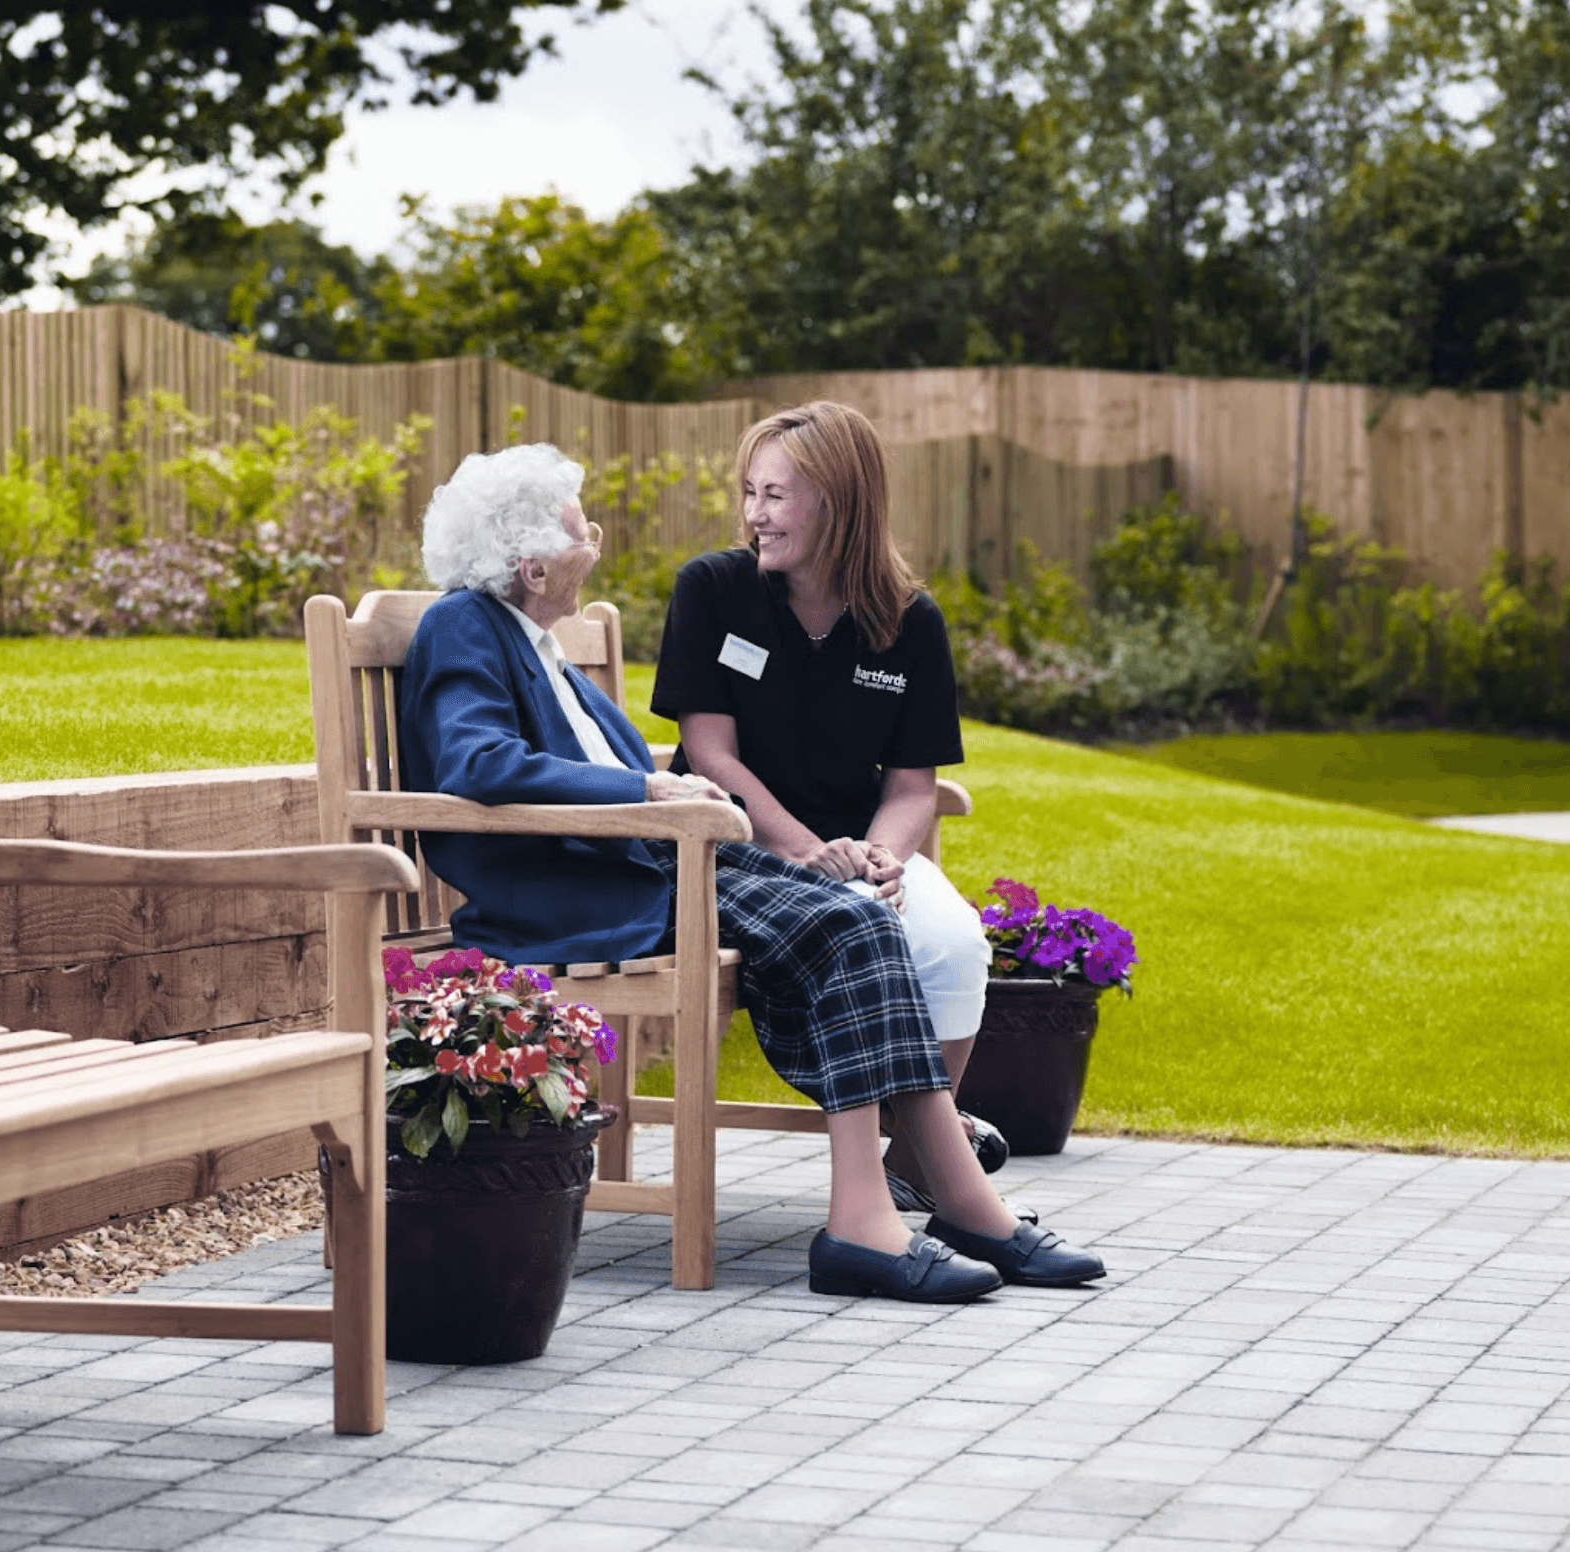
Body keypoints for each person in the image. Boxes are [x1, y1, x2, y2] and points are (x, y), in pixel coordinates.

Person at [395, 440, 1103, 1302]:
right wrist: (649, 786)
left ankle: (925, 1207)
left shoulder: (533, 640)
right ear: (535, 565)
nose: (600, 544)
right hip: (582, 893)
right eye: (588, 533)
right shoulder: (463, 626)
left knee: (858, 914)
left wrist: (661, 794)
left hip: (654, 864)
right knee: (852, 921)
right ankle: (895, 1219)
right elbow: (476, 763)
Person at [650, 400, 1004, 1217]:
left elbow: (913, 784)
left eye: (775, 496)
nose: (754, 515)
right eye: (749, 492)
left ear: (838, 503)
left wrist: (882, 858)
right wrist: (812, 850)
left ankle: (915, 1159)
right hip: (739, 844)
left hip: (858, 854)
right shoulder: (714, 590)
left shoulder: (909, 623)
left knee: (955, 946)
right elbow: (711, 755)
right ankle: (934, 1169)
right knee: (860, 926)